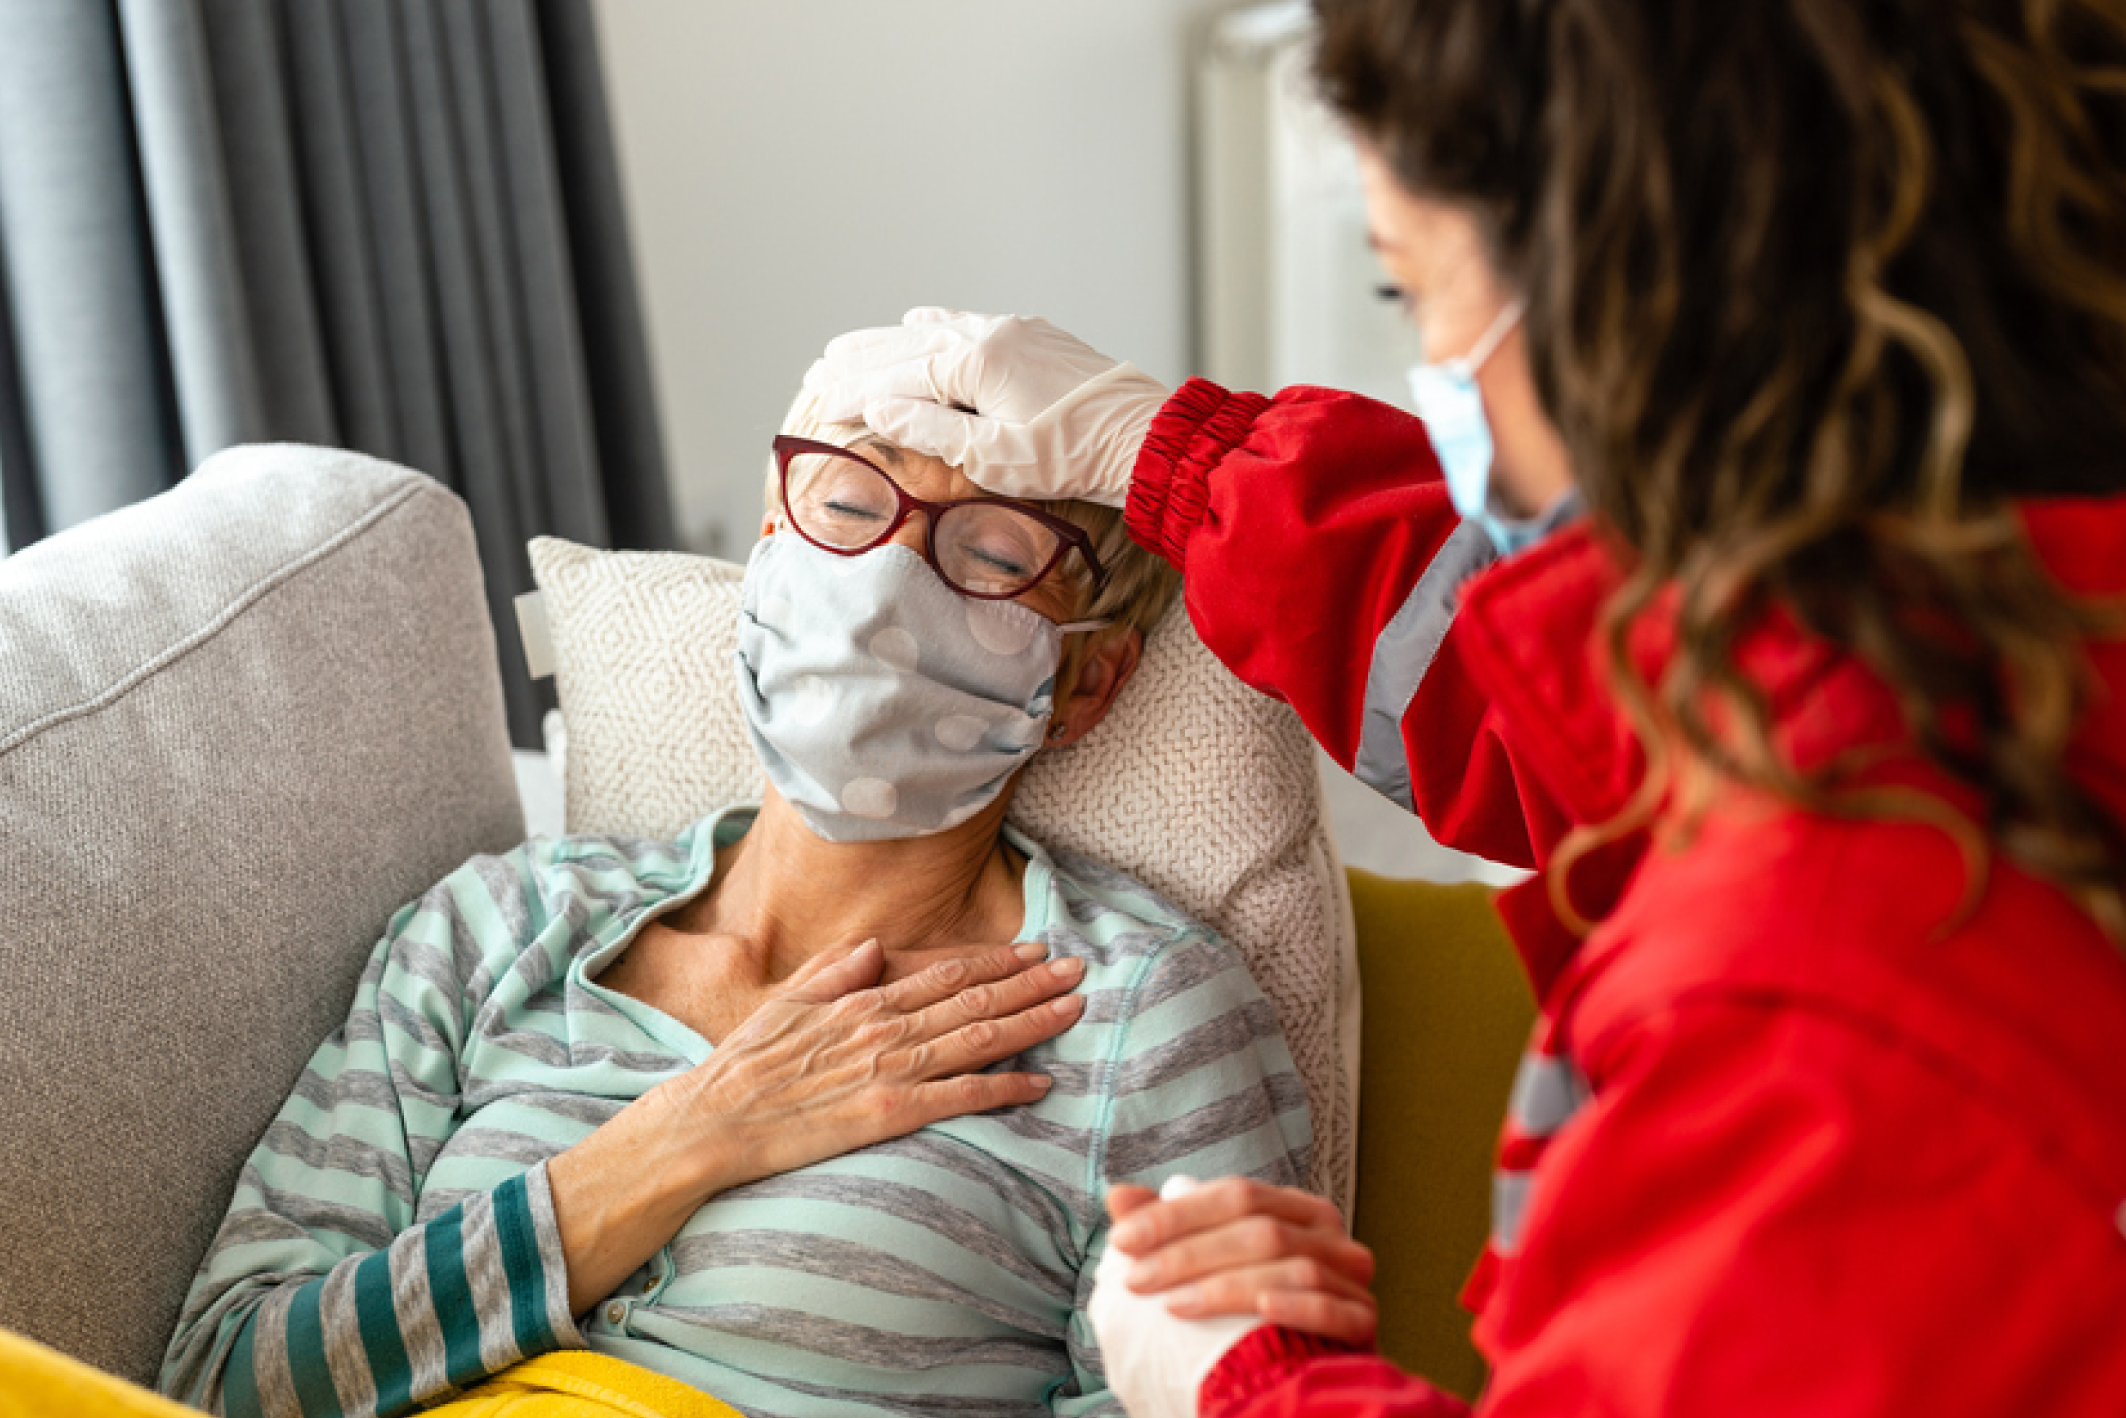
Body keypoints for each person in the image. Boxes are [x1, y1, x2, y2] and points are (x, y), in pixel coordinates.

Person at [805, 0, 2126, 1413]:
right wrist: (1179, 459)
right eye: (828, 506)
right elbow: (1569, 701)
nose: (875, 589)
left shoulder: (1815, 991)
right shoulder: (1982, 671)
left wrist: (1246, 1384)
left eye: (1410, 290)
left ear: (1624, 312)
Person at [156, 388, 1313, 1418]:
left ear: (1087, 677)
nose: (881, 585)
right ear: (769, 559)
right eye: (852, 508)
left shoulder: (1141, 1015)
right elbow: (218, 1378)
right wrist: (683, 1135)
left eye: (990, 548)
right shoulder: (496, 926)